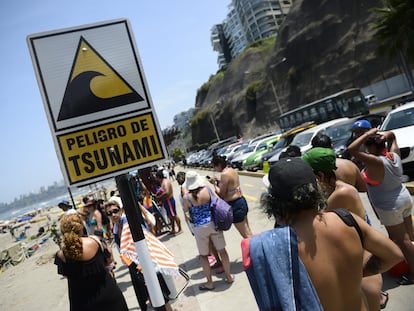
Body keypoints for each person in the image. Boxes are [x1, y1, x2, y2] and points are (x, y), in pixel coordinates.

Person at [244, 157, 403, 311]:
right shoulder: (346, 219)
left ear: (273, 202)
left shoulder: (279, 246)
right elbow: (393, 254)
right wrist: (354, 273)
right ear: (316, 189)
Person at [302, 147, 389, 309]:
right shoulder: (337, 189)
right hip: (357, 262)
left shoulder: (341, 194)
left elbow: (317, 224)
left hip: (361, 268)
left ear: (320, 176)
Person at [348, 128, 414, 285]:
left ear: (371, 147)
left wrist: (366, 134)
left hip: (391, 206)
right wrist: (384, 135)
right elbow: (392, 135)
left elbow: (352, 149)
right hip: (403, 197)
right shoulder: (394, 155)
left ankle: (413, 274)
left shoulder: (376, 161)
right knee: (410, 236)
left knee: (402, 240)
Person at [106, 199, 175, 311]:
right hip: (134, 267)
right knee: (149, 297)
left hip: (145, 264)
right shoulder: (115, 228)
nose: (113, 215)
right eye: (109, 213)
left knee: (160, 295)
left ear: (121, 210)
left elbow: (146, 234)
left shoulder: (128, 223)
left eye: (115, 211)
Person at [54, 214, 128, 311]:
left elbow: (67, 275)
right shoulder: (95, 241)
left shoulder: (61, 255)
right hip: (108, 294)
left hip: (82, 302)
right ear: (81, 227)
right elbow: (109, 261)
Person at [182, 171, 234, 290]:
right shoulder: (207, 189)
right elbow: (217, 200)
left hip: (199, 228)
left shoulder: (186, 197)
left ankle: (209, 282)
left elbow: (187, 213)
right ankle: (228, 276)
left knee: (204, 256)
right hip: (213, 224)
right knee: (222, 251)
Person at [210, 154, 252, 238]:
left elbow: (221, 194)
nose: (214, 169)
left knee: (245, 234)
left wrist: (214, 184)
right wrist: (219, 181)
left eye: (214, 166)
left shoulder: (224, 174)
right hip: (241, 200)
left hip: (234, 204)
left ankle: (254, 249)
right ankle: (256, 247)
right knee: (248, 230)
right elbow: (231, 185)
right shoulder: (232, 170)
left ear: (219, 165)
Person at [155, 170, 182, 234]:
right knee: (170, 216)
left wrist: (159, 198)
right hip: (166, 201)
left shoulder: (165, 182)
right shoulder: (163, 182)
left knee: (174, 215)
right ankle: (173, 229)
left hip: (169, 200)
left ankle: (180, 229)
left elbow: (167, 192)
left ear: (158, 177)